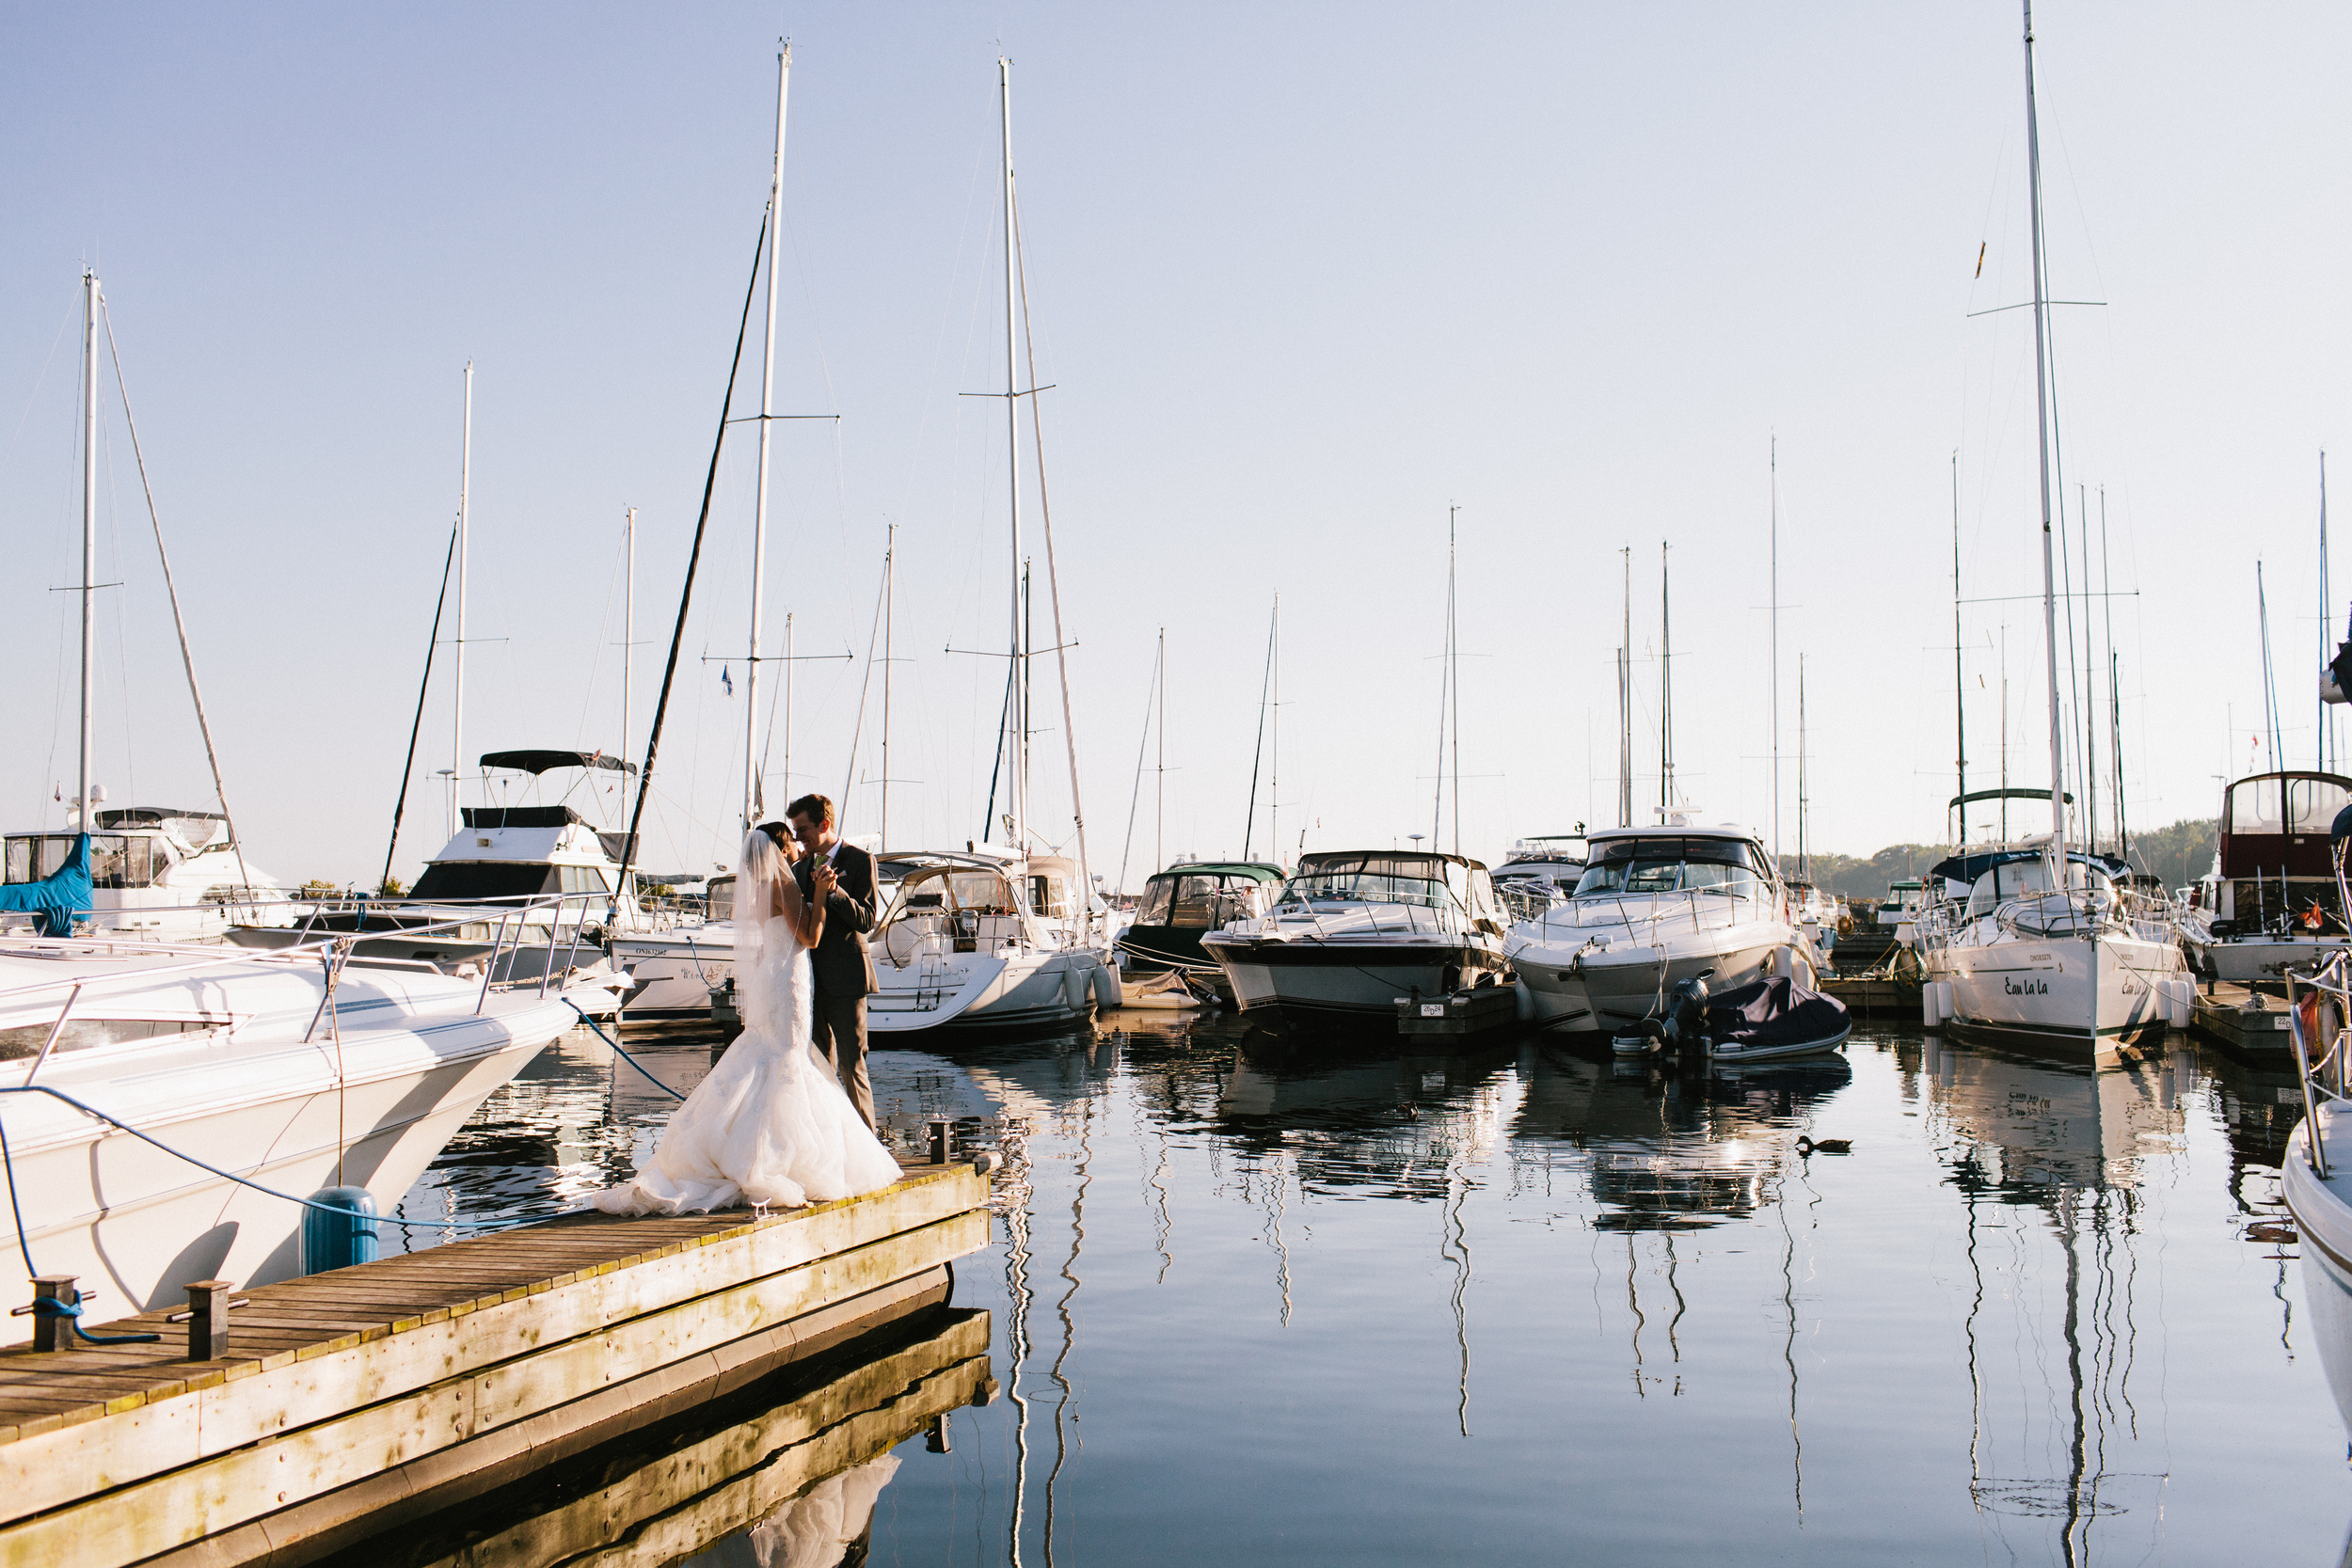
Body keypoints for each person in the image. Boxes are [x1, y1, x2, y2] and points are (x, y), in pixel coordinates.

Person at [590, 824, 900, 1214]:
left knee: (772, 1055)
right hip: (790, 977)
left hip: (774, 973)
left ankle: (746, 1143)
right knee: (788, 1059)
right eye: (791, 844)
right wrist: (821, 893)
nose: (796, 850)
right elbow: (810, 937)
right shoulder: (783, 886)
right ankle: (777, 1155)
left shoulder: (758, 890)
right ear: (780, 850)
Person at [787, 793, 881, 1130]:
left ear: (825, 824)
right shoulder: (798, 869)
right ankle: (831, 1148)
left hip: (846, 980)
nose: (798, 838)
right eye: (795, 831)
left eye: (803, 829)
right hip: (809, 983)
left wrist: (834, 892)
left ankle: (869, 1150)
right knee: (817, 1068)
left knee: (852, 1065)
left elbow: (867, 921)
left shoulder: (859, 860)